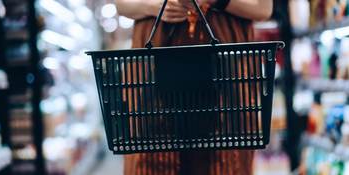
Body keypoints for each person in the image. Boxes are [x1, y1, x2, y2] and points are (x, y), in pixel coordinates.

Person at [115, 0, 273, 174]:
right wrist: (154, 6)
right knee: (150, 149)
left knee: (226, 152)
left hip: (226, 58)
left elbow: (263, 9)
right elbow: (121, 4)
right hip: (156, 54)